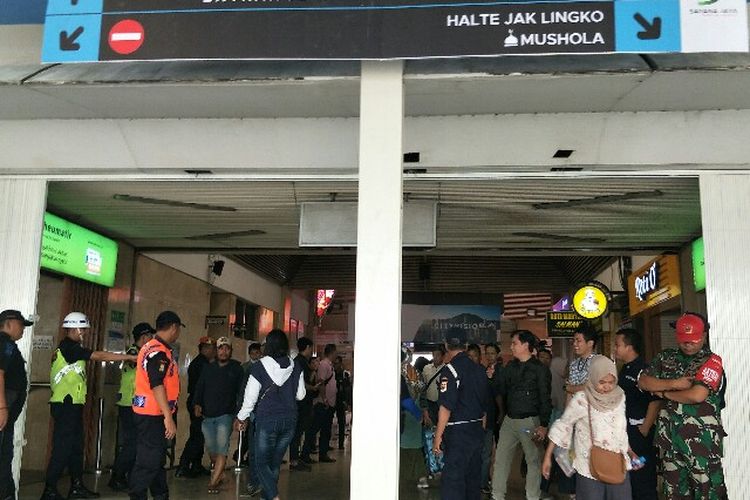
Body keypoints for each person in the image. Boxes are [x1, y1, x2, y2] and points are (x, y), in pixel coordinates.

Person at [41, 312, 137, 500]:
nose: (84, 332)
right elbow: (98, 355)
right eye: (83, 329)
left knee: (76, 447)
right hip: (65, 404)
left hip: (73, 404)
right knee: (62, 448)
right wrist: (128, 357)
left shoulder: (73, 347)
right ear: (73, 328)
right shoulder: (68, 347)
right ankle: (49, 489)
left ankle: (76, 486)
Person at [638, 312, 727, 500]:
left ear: (703, 336)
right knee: (674, 493)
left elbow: (697, 395)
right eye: (684, 340)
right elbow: (644, 382)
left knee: (708, 492)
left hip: (702, 443)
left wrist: (664, 393)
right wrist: (676, 384)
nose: (688, 345)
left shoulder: (711, 361)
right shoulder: (665, 358)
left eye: (693, 340)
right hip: (670, 440)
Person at [542, 355, 634, 499]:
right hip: (588, 467)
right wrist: (548, 456)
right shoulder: (582, 399)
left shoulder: (620, 397)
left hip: (618, 464)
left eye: (611, 382)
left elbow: (620, 430)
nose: (607, 387)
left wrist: (631, 452)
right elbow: (563, 425)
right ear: (593, 378)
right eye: (601, 382)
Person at [236, 329, 305, 500]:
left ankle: (273, 496)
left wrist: (241, 416)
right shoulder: (295, 366)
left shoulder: (258, 367)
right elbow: (301, 395)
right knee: (274, 462)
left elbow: (250, 397)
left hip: (267, 419)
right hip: (289, 420)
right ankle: (267, 496)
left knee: (260, 462)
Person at [128, 311, 183, 500]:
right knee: (148, 462)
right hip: (153, 414)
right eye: (178, 330)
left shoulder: (153, 347)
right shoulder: (158, 351)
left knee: (156, 460)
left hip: (152, 412)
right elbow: (157, 383)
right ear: (174, 327)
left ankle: (161, 495)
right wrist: (168, 417)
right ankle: (137, 495)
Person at [491, 330, 551, 500]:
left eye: (514, 343)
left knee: (532, 461)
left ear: (526, 345)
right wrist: (494, 376)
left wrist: (544, 425)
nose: (511, 347)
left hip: (530, 422)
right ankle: (497, 496)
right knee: (501, 459)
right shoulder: (511, 366)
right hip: (509, 421)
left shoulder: (540, 369)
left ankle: (532, 496)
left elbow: (545, 398)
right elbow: (501, 389)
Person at [432, 327, 488, 500]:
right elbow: (485, 404)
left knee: (453, 482)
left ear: (446, 345)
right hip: (477, 430)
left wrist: (438, 436)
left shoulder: (450, 371)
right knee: (473, 479)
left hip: (458, 434)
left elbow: (445, 408)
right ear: (465, 345)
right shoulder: (479, 369)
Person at [193, 336, 244, 494]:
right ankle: (219, 474)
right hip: (208, 415)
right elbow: (200, 387)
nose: (223, 351)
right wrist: (197, 403)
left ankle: (213, 483)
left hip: (226, 416)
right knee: (212, 450)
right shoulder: (208, 368)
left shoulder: (237, 369)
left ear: (230, 351)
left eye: (227, 348)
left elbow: (241, 393)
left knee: (222, 448)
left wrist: (240, 415)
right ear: (217, 351)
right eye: (221, 348)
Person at [613, 328, 660, 500]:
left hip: (639, 433)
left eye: (617, 345)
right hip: (628, 432)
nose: (615, 349)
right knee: (631, 477)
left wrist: (645, 428)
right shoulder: (625, 369)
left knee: (643, 478)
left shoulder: (644, 370)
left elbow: (655, 400)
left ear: (629, 347)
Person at [109, 322, 156, 491]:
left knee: (134, 443)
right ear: (143, 337)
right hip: (130, 404)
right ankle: (118, 476)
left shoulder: (137, 353)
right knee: (132, 444)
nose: (152, 339)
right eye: (150, 336)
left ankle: (123, 475)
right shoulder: (134, 354)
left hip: (134, 404)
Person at [0, 310, 33, 500]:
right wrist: (2, 408)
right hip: (4, 409)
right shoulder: (4, 344)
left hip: (8, 412)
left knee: (5, 455)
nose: (22, 330)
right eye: (21, 325)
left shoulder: (8, 344)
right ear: (9, 323)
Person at [176, 336, 216, 477]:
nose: (215, 351)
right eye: (212, 348)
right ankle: (184, 466)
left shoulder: (203, 363)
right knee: (197, 436)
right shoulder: (201, 364)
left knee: (200, 435)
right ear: (204, 349)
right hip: (198, 403)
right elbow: (202, 387)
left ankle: (196, 465)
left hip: (198, 402)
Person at [301, 343, 338, 464]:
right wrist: (325, 398)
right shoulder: (324, 365)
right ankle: (305, 453)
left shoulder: (330, 365)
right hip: (322, 403)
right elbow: (321, 382)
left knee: (326, 429)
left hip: (329, 403)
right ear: (331, 352)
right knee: (314, 428)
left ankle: (323, 452)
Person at [289, 337, 317, 472]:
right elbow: (301, 382)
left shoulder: (301, 362)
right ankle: (294, 460)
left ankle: (296, 458)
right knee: (297, 431)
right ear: (307, 347)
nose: (312, 351)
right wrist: (312, 388)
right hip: (300, 403)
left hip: (303, 402)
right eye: (311, 348)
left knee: (299, 431)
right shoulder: (299, 362)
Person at [565, 324, 598, 398]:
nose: (574, 344)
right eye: (574, 340)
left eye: (578, 341)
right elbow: (569, 393)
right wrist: (568, 409)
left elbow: (593, 388)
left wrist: (570, 388)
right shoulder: (574, 364)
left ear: (590, 343)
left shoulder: (598, 362)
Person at [420, 346, 445, 427]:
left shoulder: (447, 369)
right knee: (430, 426)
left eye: (438, 355)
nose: (435, 357)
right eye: (434, 355)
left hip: (442, 403)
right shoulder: (426, 368)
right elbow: (423, 387)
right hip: (429, 403)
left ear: (442, 356)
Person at [333, 355, 351, 450]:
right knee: (327, 421)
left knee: (342, 422)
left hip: (340, 400)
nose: (335, 365)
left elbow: (347, 389)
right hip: (332, 399)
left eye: (337, 363)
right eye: (334, 363)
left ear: (340, 363)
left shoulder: (345, 375)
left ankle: (341, 444)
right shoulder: (332, 373)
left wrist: (347, 402)